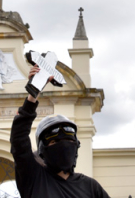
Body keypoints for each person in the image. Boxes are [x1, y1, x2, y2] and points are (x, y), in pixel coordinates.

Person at [10, 65, 110, 197]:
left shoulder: (91, 187)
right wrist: (33, 92)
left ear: (76, 144)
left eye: (68, 140)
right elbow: (19, 140)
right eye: (54, 141)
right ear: (42, 149)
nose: (63, 145)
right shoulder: (33, 177)